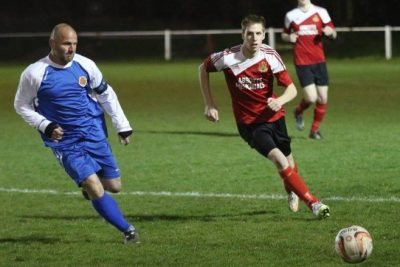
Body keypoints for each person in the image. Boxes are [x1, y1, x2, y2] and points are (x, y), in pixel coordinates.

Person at [14, 23, 139, 244]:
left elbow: (106, 94)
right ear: (52, 44)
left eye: (74, 44)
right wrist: (45, 125)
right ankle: (128, 231)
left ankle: (89, 187)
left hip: (93, 132)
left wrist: (122, 125)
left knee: (114, 186)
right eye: (66, 44)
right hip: (64, 141)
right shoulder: (35, 73)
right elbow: (21, 105)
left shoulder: (85, 65)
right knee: (93, 184)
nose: (71, 49)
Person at [198, 14, 330, 219]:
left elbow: (292, 89)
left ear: (264, 34)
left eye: (258, 33)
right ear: (242, 35)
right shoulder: (228, 57)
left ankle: (292, 192)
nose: (254, 38)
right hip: (250, 124)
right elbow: (203, 68)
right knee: (279, 160)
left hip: (275, 117)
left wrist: (281, 101)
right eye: (249, 34)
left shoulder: (270, 55)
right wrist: (209, 103)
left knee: (288, 159)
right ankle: (313, 202)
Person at [282, 0, 337, 140]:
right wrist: (289, 37)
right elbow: (284, 34)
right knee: (311, 98)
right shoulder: (291, 15)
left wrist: (330, 33)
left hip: (320, 62)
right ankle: (298, 111)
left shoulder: (321, 12)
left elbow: (333, 33)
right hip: (302, 62)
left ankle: (314, 131)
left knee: (323, 98)